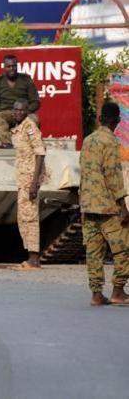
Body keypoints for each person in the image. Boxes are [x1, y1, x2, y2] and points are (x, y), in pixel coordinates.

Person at [79, 102, 129, 307]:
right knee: (123, 248)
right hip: (107, 207)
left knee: (93, 252)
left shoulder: (88, 140)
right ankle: (118, 290)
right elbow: (113, 176)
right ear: (117, 121)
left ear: (100, 119)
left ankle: (96, 294)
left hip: (88, 205)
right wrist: (123, 206)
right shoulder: (111, 142)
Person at [10, 99, 47, 270]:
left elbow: (40, 153)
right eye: (15, 110)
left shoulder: (30, 126)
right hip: (23, 179)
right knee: (23, 218)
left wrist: (34, 183)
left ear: (26, 112)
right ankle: (30, 257)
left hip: (29, 180)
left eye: (21, 110)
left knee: (30, 217)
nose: (17, 112)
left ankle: (34, 259)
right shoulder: (18, 128)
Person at [0, 54, 40, 148]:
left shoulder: (26, 79)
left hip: (24, 113)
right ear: (4, 67)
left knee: (34, 119)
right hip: (8, 113)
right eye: (8, 66)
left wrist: (24, 111)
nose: (11, 68)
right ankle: (7, 143)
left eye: (14, 66)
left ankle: (28, 142)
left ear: (17, 66)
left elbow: (35, 101)